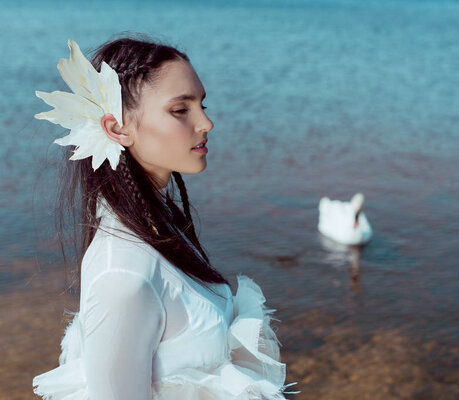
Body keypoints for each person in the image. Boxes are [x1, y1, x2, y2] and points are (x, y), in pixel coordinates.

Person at [31, 34, 297, 400]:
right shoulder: (122, 276)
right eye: (180, 110)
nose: (206, 123)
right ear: (117, 128)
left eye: (202, 104)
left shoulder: (158, 224)